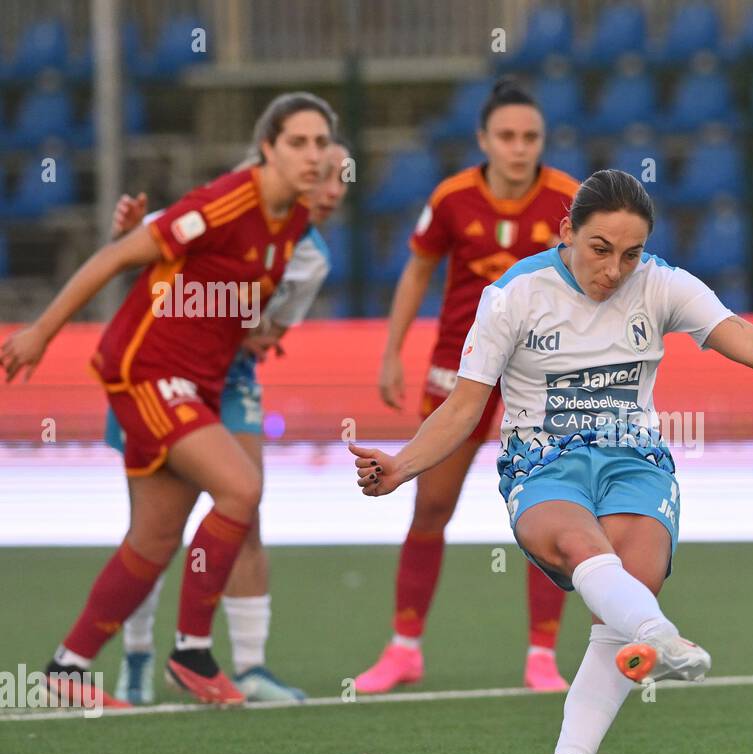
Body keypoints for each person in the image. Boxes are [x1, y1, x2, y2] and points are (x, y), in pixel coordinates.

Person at [348, 170, 753, 754]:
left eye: (630, 253)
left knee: (631, 582)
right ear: (566, 232)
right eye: (599, 248)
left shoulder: (664, 286)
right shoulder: (513, 296)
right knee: (581, 546)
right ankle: (659, 634)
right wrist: (401, 466)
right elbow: (463, 407)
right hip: (543, 460)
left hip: (634, 460)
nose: (614, 269)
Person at [1, 92, 334, 708]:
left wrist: (256, 330)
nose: (313, 156)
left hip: (194, 382)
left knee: (153, 540)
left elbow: (223, 296)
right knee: (241, 487)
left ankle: (65, 670)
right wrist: (41, 332)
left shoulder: (291, 224)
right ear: (267, 147)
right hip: (147, 371)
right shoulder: (226, 202)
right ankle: (192, 652)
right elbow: (116, 257)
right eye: (298, 142)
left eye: (322, 144)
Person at [105, 139, 352, 704]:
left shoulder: (311, 256)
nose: (334, 190)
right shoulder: (223, 207)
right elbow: (142, 253)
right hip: (157, 372)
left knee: (245, 508)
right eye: (325, 175)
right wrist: (128, 231)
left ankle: (248, 667)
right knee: (151, 531)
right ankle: (138, 659)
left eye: (342, 178)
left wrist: (239, 327)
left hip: (229, 379)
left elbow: (266, 333)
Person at [356, 77, 580, 694]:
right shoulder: (453, 198)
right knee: (431, 505)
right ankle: (404, 649)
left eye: (530, 136)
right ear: (483, 139)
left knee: (551, 510)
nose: (518, 147)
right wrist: (392, 351)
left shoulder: (568, 200)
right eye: (506, 136)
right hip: (459, 370)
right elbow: (417, 271)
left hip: (539, 377)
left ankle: (542, 656)